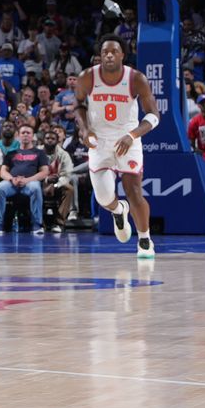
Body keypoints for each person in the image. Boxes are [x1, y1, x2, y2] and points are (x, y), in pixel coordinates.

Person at [73, 37, 159, 256]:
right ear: (100, 56)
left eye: (114, 51)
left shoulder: (136, 79)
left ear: (122, 55)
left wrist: (133, 135)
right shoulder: (87, 77)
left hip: (127, 140)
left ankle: (144, 239)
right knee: (103, 198)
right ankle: (118, 211)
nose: (109, 55)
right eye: (105, 52)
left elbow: (154, 115)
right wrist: (84, 130)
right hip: (99, 141)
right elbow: (79, 106)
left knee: (134, 191)